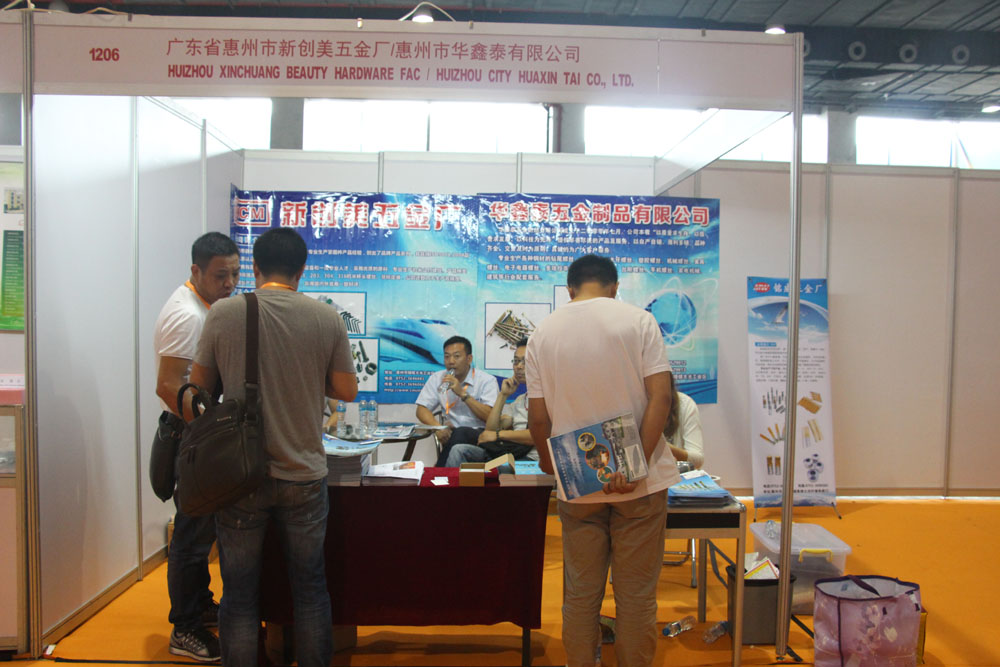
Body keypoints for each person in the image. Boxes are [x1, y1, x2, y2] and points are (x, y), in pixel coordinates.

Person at [189, 228, 358, 667]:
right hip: (304, 474)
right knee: (310, 589)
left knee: (239, 594)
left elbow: (198, 389)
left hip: (240, 476)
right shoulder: (326, 318)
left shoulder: (225, 313)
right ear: (302, 270)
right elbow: (347, 390)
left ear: (255, 267)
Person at [525, 254, 682, 667]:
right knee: (636, 597)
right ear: (615, 287)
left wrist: (550, 463)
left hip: (578, 484)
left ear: (570, 289)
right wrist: (635, 465)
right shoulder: (639, 321)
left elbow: (537, 418)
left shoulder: (542, 333)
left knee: (580, 595)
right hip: (640, 486)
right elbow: (661, 399)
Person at [152, 231, 239, 662]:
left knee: (201, 533)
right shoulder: (188, 315)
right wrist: (208, 434)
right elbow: (168, 386)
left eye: (235, 274)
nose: (230, 283)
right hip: (193, 439)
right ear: (196, 271)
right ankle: (184, 628)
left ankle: (200, 606)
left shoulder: (204, 308)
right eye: (221, 275)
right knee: (190, 537)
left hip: (198, 435)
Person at [446, 337, 537, 466]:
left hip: (531, 459)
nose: (519, 367)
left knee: (499, 468)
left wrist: (499, 435)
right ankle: (444, 480)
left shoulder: (548, 398)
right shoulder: (520, 400)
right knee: (459, 450)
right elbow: (491, 429)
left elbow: (537, 435)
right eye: (516, 361)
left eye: (525, 361)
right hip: (511, 453)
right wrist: (503, 395)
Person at [414, 335, 499, 466]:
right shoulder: (438, 378)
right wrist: (438, 427)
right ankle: (443, 474)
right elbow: (421, 409)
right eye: (447, 357)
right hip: (451, 435)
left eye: (457, 356)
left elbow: (490, 417)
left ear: (469, 359)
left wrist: (462, 394)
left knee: (461, 432)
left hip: (482, 436)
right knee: (457, 433)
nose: (451, 361)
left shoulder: (487, 381)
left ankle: (439, 471)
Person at [664, 371, 705, 470]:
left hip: (678, 476)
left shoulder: (684, 404)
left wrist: (662, 446)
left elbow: (697, 460)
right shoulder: (638, 405)